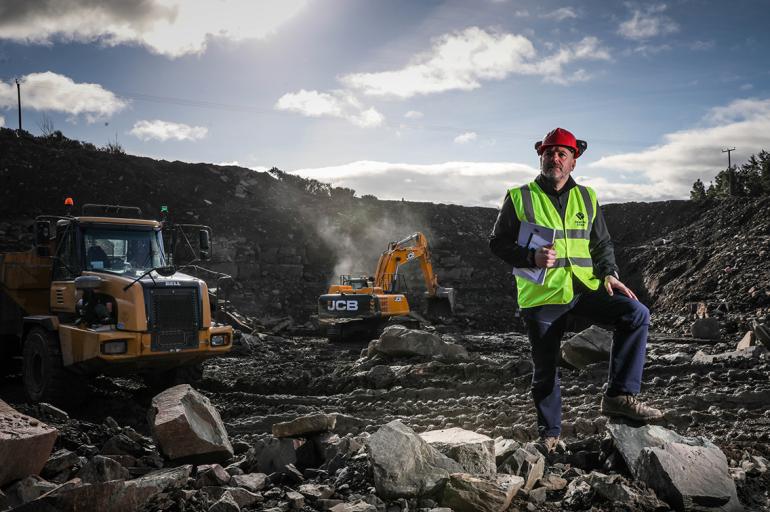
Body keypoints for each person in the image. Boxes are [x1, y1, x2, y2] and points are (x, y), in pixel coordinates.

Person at [489, 127, 663, 453]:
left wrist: (610, 273)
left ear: (573, 162)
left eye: (561, 154)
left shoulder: (587, 196)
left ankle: (620, 396)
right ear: (540, 156)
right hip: (543, 296)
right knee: (545, 368)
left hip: (585, 288)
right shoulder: (519, 196)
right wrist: (530, 256)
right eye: (549, 153)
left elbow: (601, 244)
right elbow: (497, 243)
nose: (554, 158)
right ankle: (550, 435)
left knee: (635, 313)